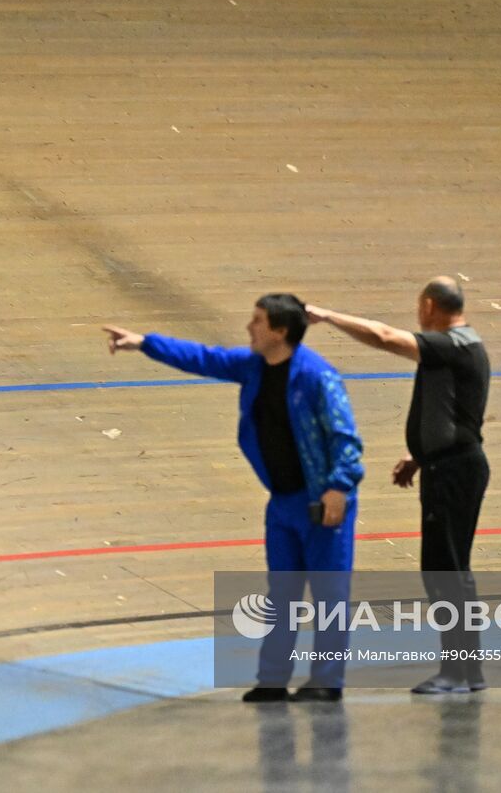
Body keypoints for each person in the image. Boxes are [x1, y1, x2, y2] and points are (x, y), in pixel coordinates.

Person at [104, 294, 364, 703]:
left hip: (323, 503)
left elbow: (346, 438)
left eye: (258, 321)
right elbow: (204, 358)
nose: (249, 327)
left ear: (280, 331)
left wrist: (339, 488)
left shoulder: (317, 377)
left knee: (329, 595)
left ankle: (327, 681)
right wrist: (144, 342)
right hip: (282, 502)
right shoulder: (255, 367)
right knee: (282, 594)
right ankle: (273, 679)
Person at [304, 276, 491, 696]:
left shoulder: (452, 343)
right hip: (449, 466)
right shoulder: (461, 347)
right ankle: (468, 670)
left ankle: (457, 672)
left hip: (455, 472)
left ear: (428, 305)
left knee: (445, 572)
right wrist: (421, 456)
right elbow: (455, 415)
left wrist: (327, 315)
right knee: (450, 571)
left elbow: (384, 336)